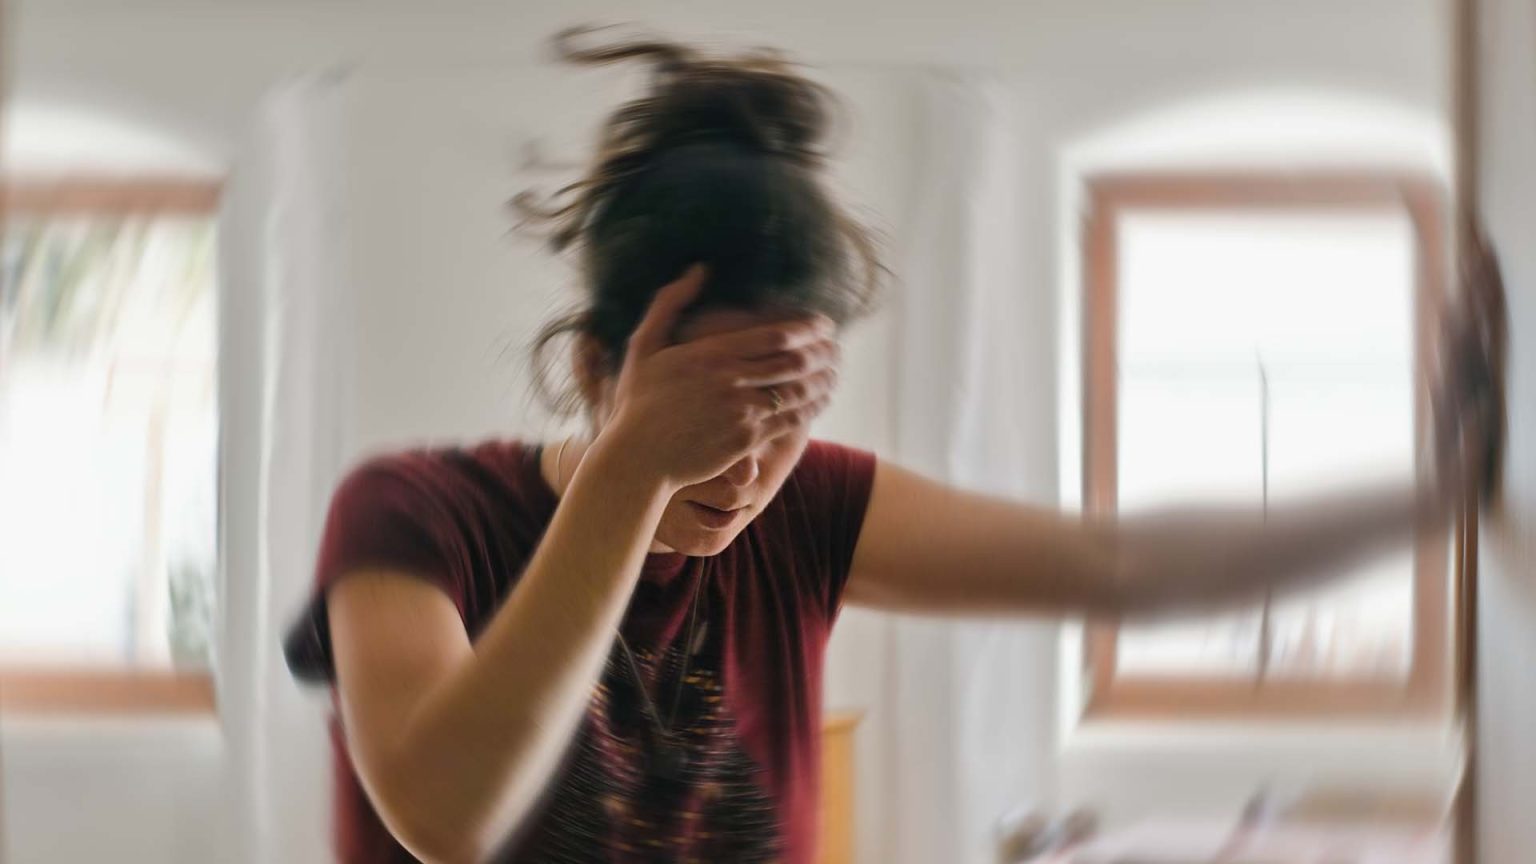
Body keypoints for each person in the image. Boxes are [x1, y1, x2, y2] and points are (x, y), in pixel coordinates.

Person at [283, 27, 1505, 864]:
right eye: (704, 415)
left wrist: (1439, 493)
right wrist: (635, 470)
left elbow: (1125, 567)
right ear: (599, 370)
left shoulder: (812, 513)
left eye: (781, 418)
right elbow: (446, 814)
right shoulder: (411, 515)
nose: (742, 471)